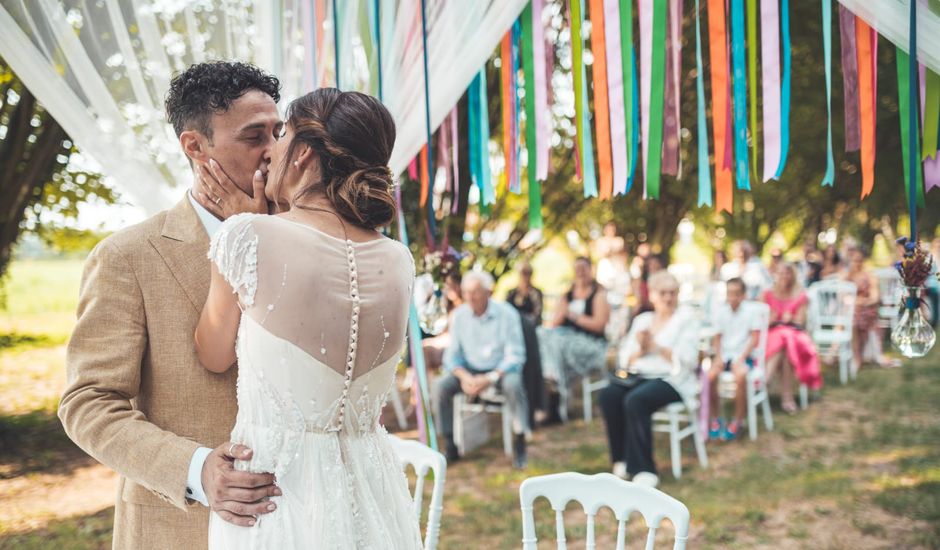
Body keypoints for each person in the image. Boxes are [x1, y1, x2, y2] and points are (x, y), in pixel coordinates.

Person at [58, 62, 284, 548]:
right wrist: (197, 470)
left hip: (298, 517)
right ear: (195, 147)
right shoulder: (127, 256)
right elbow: (88, 403)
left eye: (278, 132)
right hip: (178, 530)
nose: (273, 151)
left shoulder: (306, 237)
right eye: (253, 137)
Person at [194, 88, 422, 547]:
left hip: (279, 501)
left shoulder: (247, 235)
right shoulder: (399, 258)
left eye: (282, 134)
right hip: (375, 498)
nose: (271, 149)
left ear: (300, 155)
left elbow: (213, 354)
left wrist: (249, 229)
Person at [599, 272, 700, 488]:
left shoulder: (686, 320)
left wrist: (657, 348)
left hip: (672, 380)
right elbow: (625, 358)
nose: (668, 298)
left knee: (636, 400)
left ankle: (644, 469)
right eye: (663, 293)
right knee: (609, 395)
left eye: (672, 293)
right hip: (639, 375)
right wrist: (642, 349)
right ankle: (621, 460)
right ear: (652, 295)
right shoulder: (643, 320)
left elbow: (689, 360)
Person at [434, 271, 530, 468]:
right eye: (467, 292)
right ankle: (450, 444)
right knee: (440, 386)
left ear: (488, 292)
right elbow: (451, 356)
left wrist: (490, 378)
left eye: (476, 292)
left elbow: (516, 355)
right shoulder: (459, 316)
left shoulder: (507, 314)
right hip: (470, 370)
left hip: (499, 370)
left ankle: (520, 439)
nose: (470, 297)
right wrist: (464, 376)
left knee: (514, 384)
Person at [538, 256, 610, 421]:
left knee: (557, 342)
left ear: (590, 270)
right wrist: (562, 313)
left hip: (591, 345)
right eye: (577, 269)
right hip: (563, 346)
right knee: (541, 333)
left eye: (583, 268)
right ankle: (553, 382)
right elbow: (554, 324)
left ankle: (554, 391)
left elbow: (600, 325)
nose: (580, 273)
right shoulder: (567, 295)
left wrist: (574, 316)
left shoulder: (598, 294)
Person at [707, 278, 762, 441]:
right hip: (725, 355)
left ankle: (738, 420)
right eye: (730, 293)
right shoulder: (721, 311)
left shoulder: (751, 312)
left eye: (737, 294)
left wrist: (742, 358)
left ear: (743, 295)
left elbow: (754, 339)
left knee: (740, 376)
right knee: (709, 377)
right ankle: (716, 418)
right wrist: (717, 357)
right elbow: (717, 338)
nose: (733, 297)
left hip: (743, 355)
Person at [763, 262, 821, 413]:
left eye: (787, 273)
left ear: (793, 276)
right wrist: (770, 319)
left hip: (795, 336)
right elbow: (759, 320)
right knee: (783, 342)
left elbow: (800, 322)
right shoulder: (767, 294)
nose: (784, 276)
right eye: (781, 273)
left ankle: (765, 380)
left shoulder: (800, 294)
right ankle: (786, 398)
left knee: (786, 338)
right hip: (773, 335)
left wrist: (792, 318)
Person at [842, 247, 886, 370]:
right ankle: (837, 351)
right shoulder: (848, 276)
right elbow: (842, 296)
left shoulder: (870, 276)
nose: (857, 263)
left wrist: (859, 302)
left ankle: (856, 357)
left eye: (859, 260)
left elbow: (875, 298)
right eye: (854, 260)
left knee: (853, 321)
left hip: (867, 309)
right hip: (852, 309)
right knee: (846, 317)